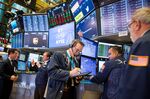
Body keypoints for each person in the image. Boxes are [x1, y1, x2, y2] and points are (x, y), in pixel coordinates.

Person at [118, 7, 150, 99]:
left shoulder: (143, 43)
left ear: (137, 24)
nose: (130, 32)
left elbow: (134, 85)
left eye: (129, 26)